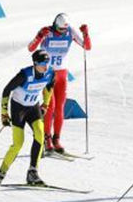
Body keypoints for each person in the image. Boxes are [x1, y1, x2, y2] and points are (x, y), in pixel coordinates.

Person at [0, 49, 55, 195]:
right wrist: (4, 113)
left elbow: (49, 87)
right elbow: (6, 90)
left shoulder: (50, 73)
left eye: (47, 62)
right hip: (19, 109)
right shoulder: (24, 75)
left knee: (40, 134)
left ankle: (33, 172)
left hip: (34, 107)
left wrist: (45, 104)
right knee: (18, 143)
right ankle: (1, 173)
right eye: (43, 63)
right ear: (35, 63)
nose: (46, 66)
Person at [27, 13, 91, 154]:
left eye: (64, 30)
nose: (62, 32)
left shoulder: (70, 31)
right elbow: (31, 48)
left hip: (62, 74)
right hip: (47, 74)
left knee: (60, 108)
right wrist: (39, 36)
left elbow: (87, 47)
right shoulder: (47, 32)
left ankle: (56, 139)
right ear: (55, 25)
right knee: (50, 107)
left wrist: (86, 33)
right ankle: (47, 139)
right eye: (60, 29)